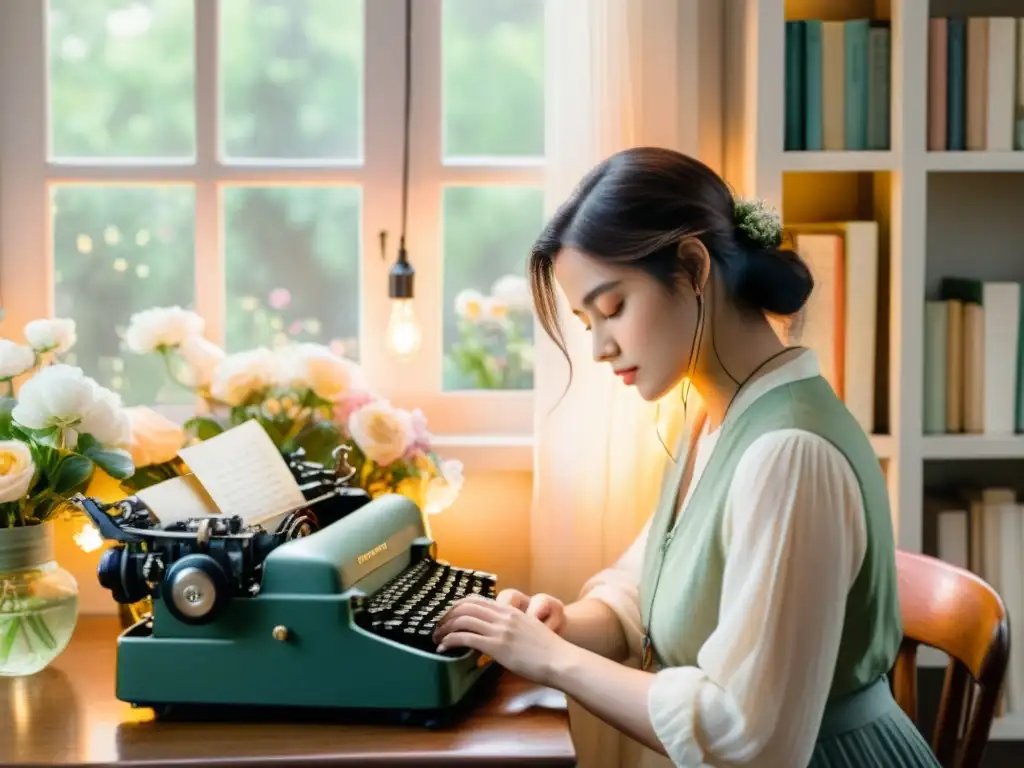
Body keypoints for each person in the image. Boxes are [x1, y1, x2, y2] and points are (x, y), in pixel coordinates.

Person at [432, 147, 940, 767]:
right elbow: (642, 590)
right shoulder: (712, 415)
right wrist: (560, 624)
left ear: (693, 266)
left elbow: (748, 737)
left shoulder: (788, 455)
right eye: (586, 320)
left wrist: (551, 660)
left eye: (613, 307)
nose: (599, 346)